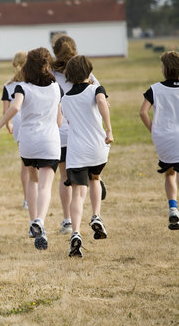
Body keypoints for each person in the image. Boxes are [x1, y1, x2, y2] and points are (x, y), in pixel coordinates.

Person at [0, 48, 61, 250]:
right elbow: (59, 119)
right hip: (50, 141)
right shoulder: (56, 88)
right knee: (45, 186)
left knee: (32, 180)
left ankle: (33, 223)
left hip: (28, 141)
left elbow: (15, 108)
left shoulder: (21, 87)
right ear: (48, 66)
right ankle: (40, 220)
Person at [51, 34, 103, 235]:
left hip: (60, 133)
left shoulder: (50, 74)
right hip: (84, 134)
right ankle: (95, 214)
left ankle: (67, 221)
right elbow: (100, 95)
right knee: (92, 177)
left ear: (55, 52)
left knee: (65, 177)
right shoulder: (83, 69)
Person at [61, 55, 113, 257]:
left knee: (78, 193)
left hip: (76, 152)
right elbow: (101, 100)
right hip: (98, 149)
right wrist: (109, 130)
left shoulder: (65, 98)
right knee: (96, 179)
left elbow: (69, 121)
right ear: (88, 71)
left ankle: (75, 233)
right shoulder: (96, 89)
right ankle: (96, 216)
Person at [140, 50, 179, 231]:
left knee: (170, 173)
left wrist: (154, 130)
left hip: (164, 138)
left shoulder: (155, 89)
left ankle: (173, 208)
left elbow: (143, 112)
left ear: (165, 69)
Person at [1, 51, 29, 210]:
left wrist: (8, 124)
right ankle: (36, 195)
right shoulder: (34, 82)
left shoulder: (8, 85)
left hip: (18, 123)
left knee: (25, 163)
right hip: (35, 121)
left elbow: (7, 111)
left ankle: (27, 198)